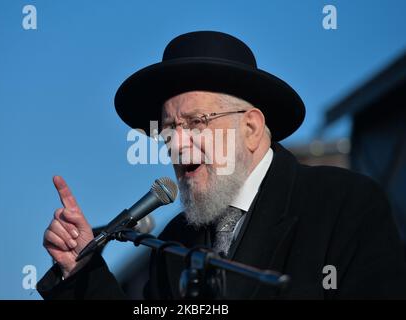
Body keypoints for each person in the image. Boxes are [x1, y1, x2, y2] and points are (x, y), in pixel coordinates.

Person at [37, 31, 406, 299]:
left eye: (197, 122)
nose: (179, 145)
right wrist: (81, 273)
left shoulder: (345, 206)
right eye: (168, 130)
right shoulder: (174, 243)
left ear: (250, 128)